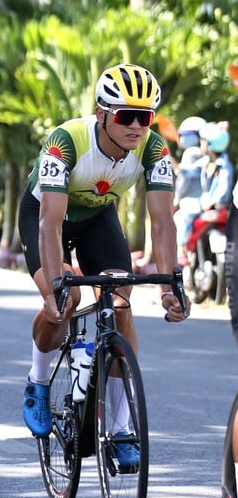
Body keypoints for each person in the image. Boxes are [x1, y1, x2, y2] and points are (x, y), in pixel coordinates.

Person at [17, 64, 187, 471]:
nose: (135, 126)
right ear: (101, 114)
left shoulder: (155, 150)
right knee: (66, 298)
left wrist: (169, 286)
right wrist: (55, 285)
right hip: (46, 215)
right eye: (125, 115)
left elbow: (162, 221)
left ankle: (121, 429)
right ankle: (38, 381)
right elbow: (50, 223)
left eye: (144, 117)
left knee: (121, 306)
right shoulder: (66, 142)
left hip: (97, 220)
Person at [173, 116, 208, 263]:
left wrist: (177, 198)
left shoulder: (190, 153)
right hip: (205, 200)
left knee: (178, 218)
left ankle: (181, 251)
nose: (181, 138)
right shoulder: (206, 152)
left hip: (191, 201)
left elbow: (184, 179)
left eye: (184, 135)